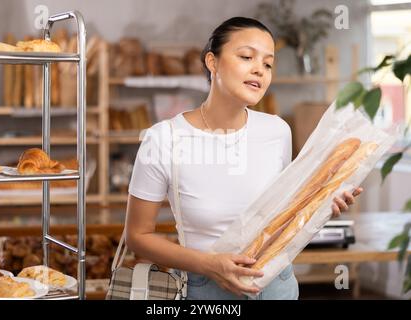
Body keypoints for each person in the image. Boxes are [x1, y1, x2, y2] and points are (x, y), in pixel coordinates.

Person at [125, 16, 363, 300]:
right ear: (212, 62)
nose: (259, 70)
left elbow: (281, 218)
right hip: (204, 290)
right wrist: (209, 265)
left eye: (267, 64)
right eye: (247, 56)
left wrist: (322, 208)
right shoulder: (164, 138)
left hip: (278, 284)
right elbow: (137, 237)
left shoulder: (277, 131)